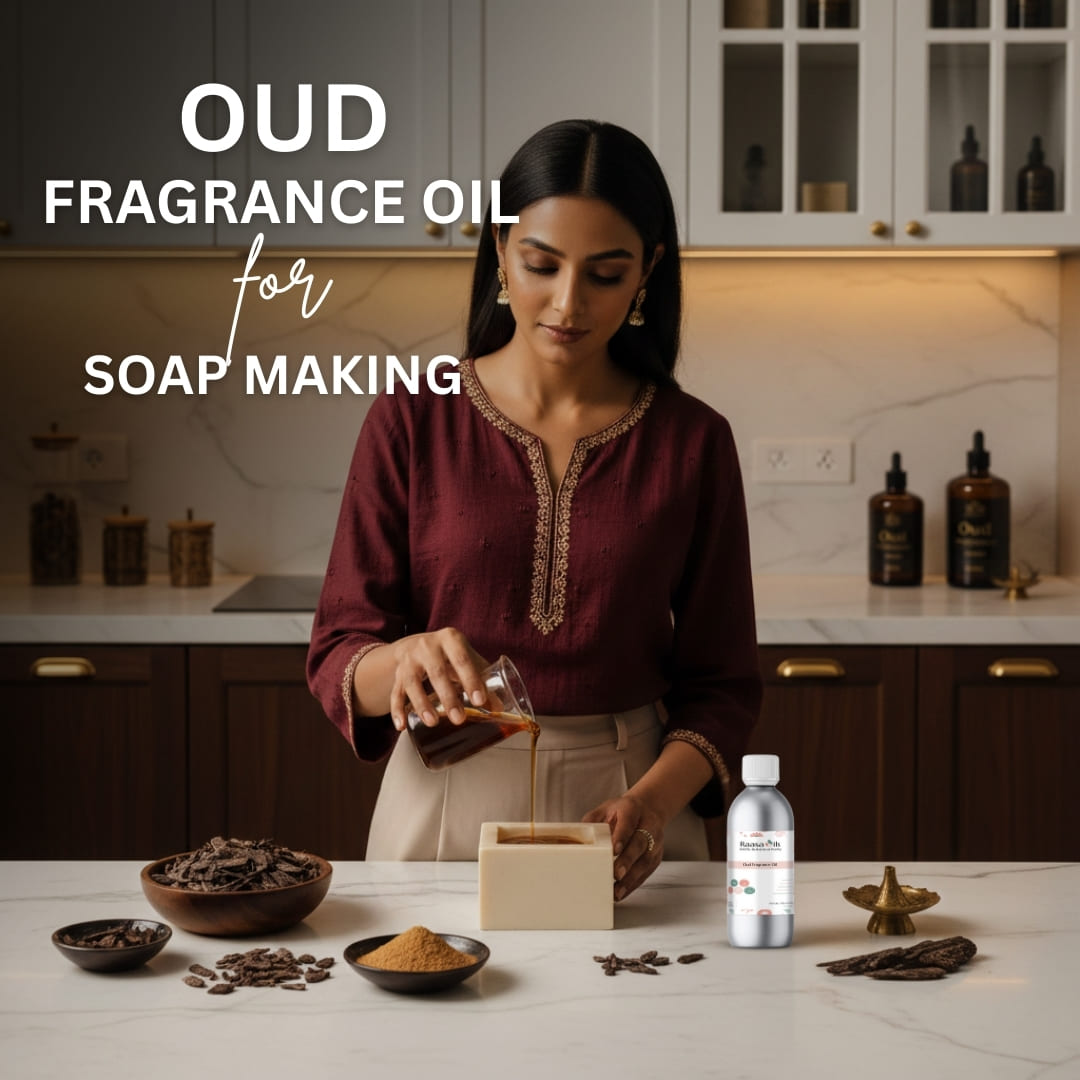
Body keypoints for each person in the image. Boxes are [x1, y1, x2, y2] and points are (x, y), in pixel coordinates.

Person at [307, 119, 762, 900]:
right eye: (541, 264)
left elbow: (723, 684)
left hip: (633, 806)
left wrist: (651, 805)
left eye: (606, 274)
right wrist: (403, 661)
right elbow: (338, 651)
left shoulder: (695, 442)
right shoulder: (413, 417)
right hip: (443, 800)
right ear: (498, 250)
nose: (568, 303)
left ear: (649, 270)